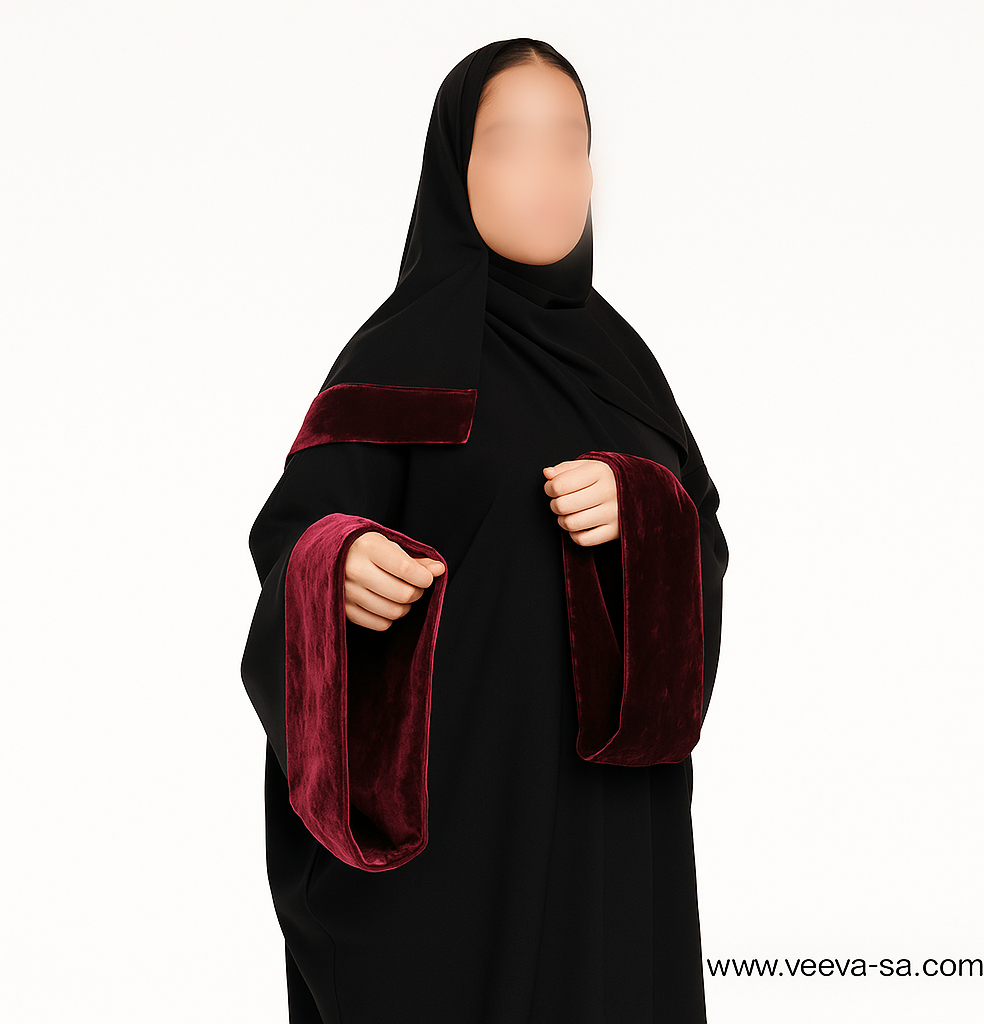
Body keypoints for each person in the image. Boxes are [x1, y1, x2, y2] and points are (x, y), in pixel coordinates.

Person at [241, 36, 729, 1024]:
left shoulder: (625, 367)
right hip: (458, 842)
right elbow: (295, 538)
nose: (550, 175)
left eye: (570, 144)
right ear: (454, 168)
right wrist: (338, 563)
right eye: (511, 145)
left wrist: (645, 512)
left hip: (609, 831)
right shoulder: (400, 355)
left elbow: (702, 544)